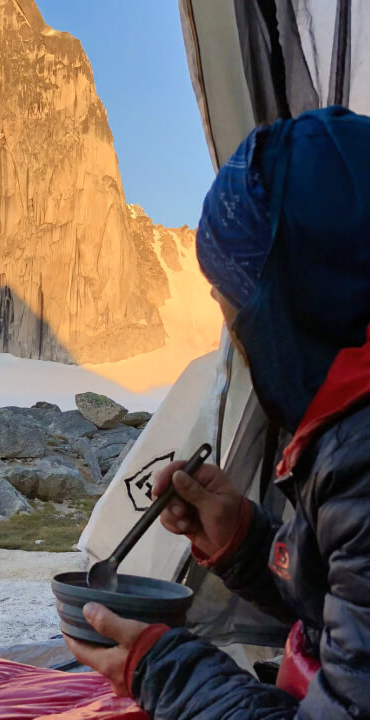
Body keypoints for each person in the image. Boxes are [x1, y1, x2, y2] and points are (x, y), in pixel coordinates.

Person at [65, 106, 370, 718]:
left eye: (230, 300)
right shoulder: (348, 424)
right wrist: (243, 540)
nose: (229, 331)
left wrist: (161, 669)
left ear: (288, 305)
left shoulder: (361, 465)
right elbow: (347, 617)